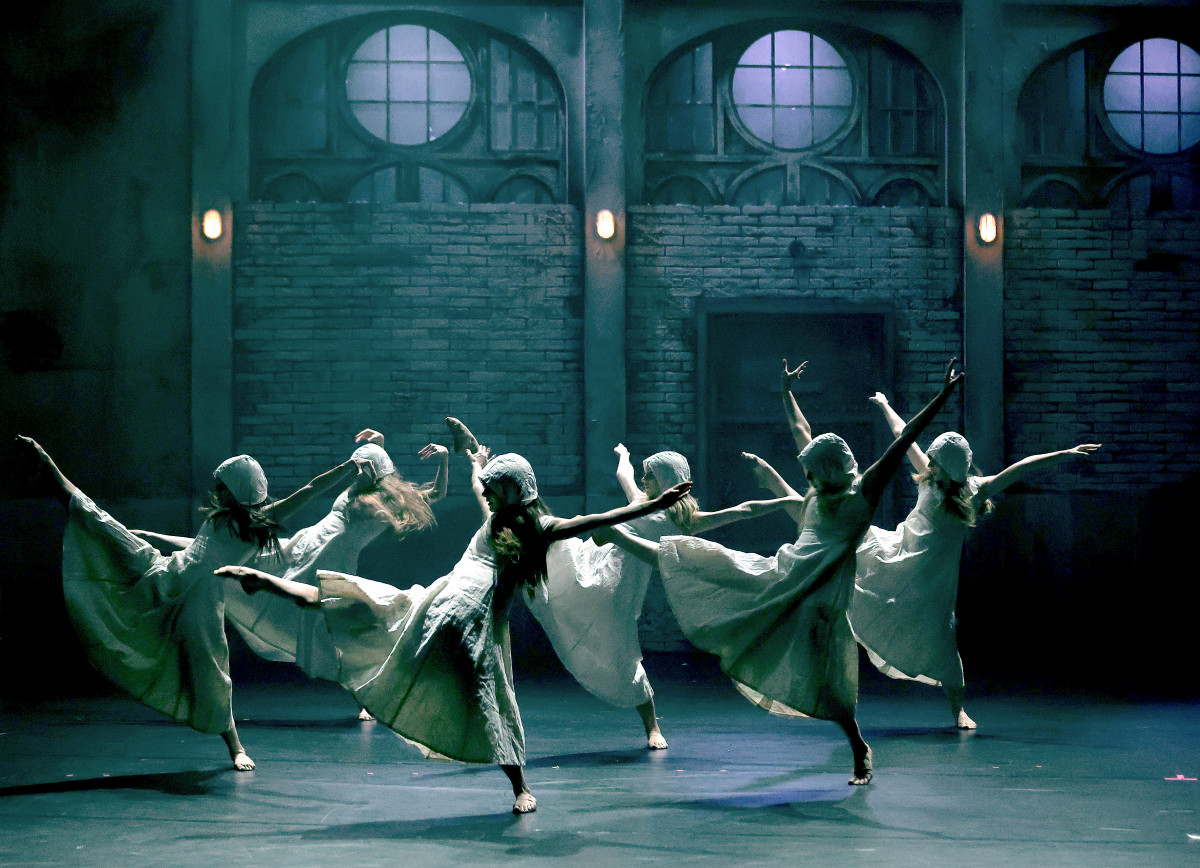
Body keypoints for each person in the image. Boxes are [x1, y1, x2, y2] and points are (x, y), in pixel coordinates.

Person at [218, 444, 692, 813]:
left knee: (452, 665)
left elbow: (599, 518)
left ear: (514, 492)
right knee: (377, 607)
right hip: (448, 599)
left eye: (494, 490)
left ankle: (520, 786)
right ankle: (266, 581)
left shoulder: (540, 527)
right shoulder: (496, 517)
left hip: (474, 615)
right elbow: (482, 490)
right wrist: (475, 463)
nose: (487, 496)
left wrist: (652, 506)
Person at [596, 359, 963, 785]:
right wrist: (786, 392)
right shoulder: (816, 491)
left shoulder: (861, 495)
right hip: (784, 572)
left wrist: (942, 396)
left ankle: (859, 748)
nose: (805, 475)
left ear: (828, 470)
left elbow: (905, 440)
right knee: (708, 561)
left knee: (828, 678)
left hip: (823, 592)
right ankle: (621, 539)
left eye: (811, 470)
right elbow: (802, 432)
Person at [15, 435, 372, 770]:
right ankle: (48, 466)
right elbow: (199, 548)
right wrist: (154, 536)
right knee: (101, 523)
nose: (217, 491)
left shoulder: (261, 521)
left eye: (224, 486)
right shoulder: (220, 518)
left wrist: (347, 468)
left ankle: (236, 747)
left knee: (212, 671)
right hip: (167, 574)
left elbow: (310, 489)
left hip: (201, 599)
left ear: (240, 490)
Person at [849, 392, 1101, 728]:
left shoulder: (974, 489)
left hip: (935, 578)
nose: (930, 465)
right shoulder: (927, 475)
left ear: (952, 468)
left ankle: (958, 711)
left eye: (937, 462)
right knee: (859, 550)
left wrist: (1065, 453)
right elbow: (902, 433)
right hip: (901, 553)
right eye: (931, 460)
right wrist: (883, 404)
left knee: (944, 642)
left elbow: (1020, 468)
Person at [526, 444, 799, 749]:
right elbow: (624, 474)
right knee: (549, 552)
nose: (643, 481)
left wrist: (784, 501)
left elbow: (743, 511)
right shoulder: (640, 502)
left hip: (618, 584)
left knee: (622, 651)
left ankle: (652, 727)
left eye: (650, 476)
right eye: (644, 475)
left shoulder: (686, 519)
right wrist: (623, 455)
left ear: (667, 479)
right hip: (590, 560)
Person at [218, 430, 447, 720]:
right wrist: (378, 443)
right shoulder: (359, 483)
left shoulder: (389, 501)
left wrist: (444, 459)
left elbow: (436, 493)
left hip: (332, 561)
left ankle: (365, 697)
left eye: (364, 471)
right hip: (307, 544)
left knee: (338, 634)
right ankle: (197, 561)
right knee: (260, 570)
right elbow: (375, 463)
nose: (357, 475)